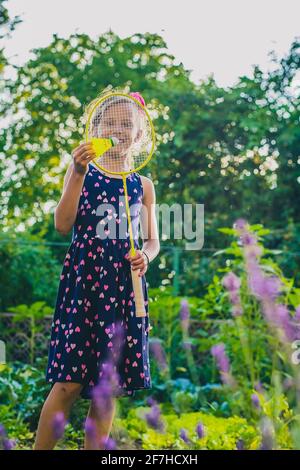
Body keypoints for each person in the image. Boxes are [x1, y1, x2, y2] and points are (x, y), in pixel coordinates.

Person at [34, 91, 160, 450]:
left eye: (126, 124)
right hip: (86, 286)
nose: (118, 129)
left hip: (124, 290)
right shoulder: (83, 173)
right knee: (68, 383)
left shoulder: (143, 185)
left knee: (107, 389)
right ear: (96, 128)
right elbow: (63, 223)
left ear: (139, 136)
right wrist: (76, 172)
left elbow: (152, 241)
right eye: (110, 122)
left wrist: (147, 258)